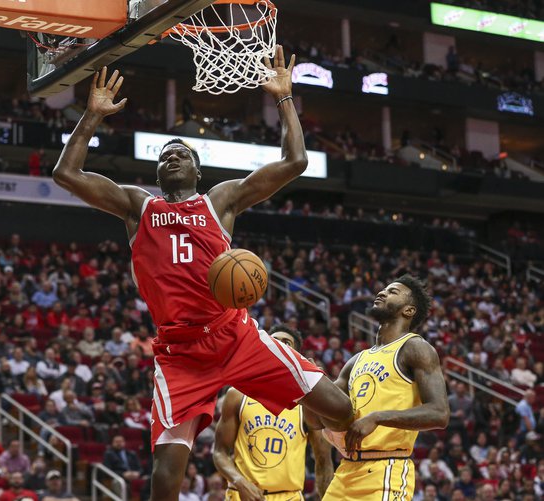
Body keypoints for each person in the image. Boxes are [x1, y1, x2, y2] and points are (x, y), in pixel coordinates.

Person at [53, 46, 353, 500]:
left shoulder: (221, 200)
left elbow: (295, 162)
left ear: (198, 169)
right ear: (157, 170)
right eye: (165, 155)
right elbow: (66, 173)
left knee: (341, 408)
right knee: (166, 473)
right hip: (180, 353)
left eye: (182, 153)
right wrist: (91, 115)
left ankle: (357, 478)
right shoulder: (139, 206)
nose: (172, 157)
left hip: (236, 335)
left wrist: (284, 98)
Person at [322, 275, 450, 501]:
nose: (381, 292)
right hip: (345, 471)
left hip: (385, 470)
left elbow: (439, 413)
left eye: (393, 292)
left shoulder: (415, 348)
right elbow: (321, 414)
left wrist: (378, 417)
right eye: (383, 289)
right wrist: (310, 382)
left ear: (408, 311)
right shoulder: (355, 361)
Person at [213, 324, 334, 500]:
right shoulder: (237, 395)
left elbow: (323, 460)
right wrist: (238, 480)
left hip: (289, 496)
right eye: (274, 341)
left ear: (296, 357)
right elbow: (219, 452)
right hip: (242, 494)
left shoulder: (307, 403)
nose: (280, 345)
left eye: (287, 343)